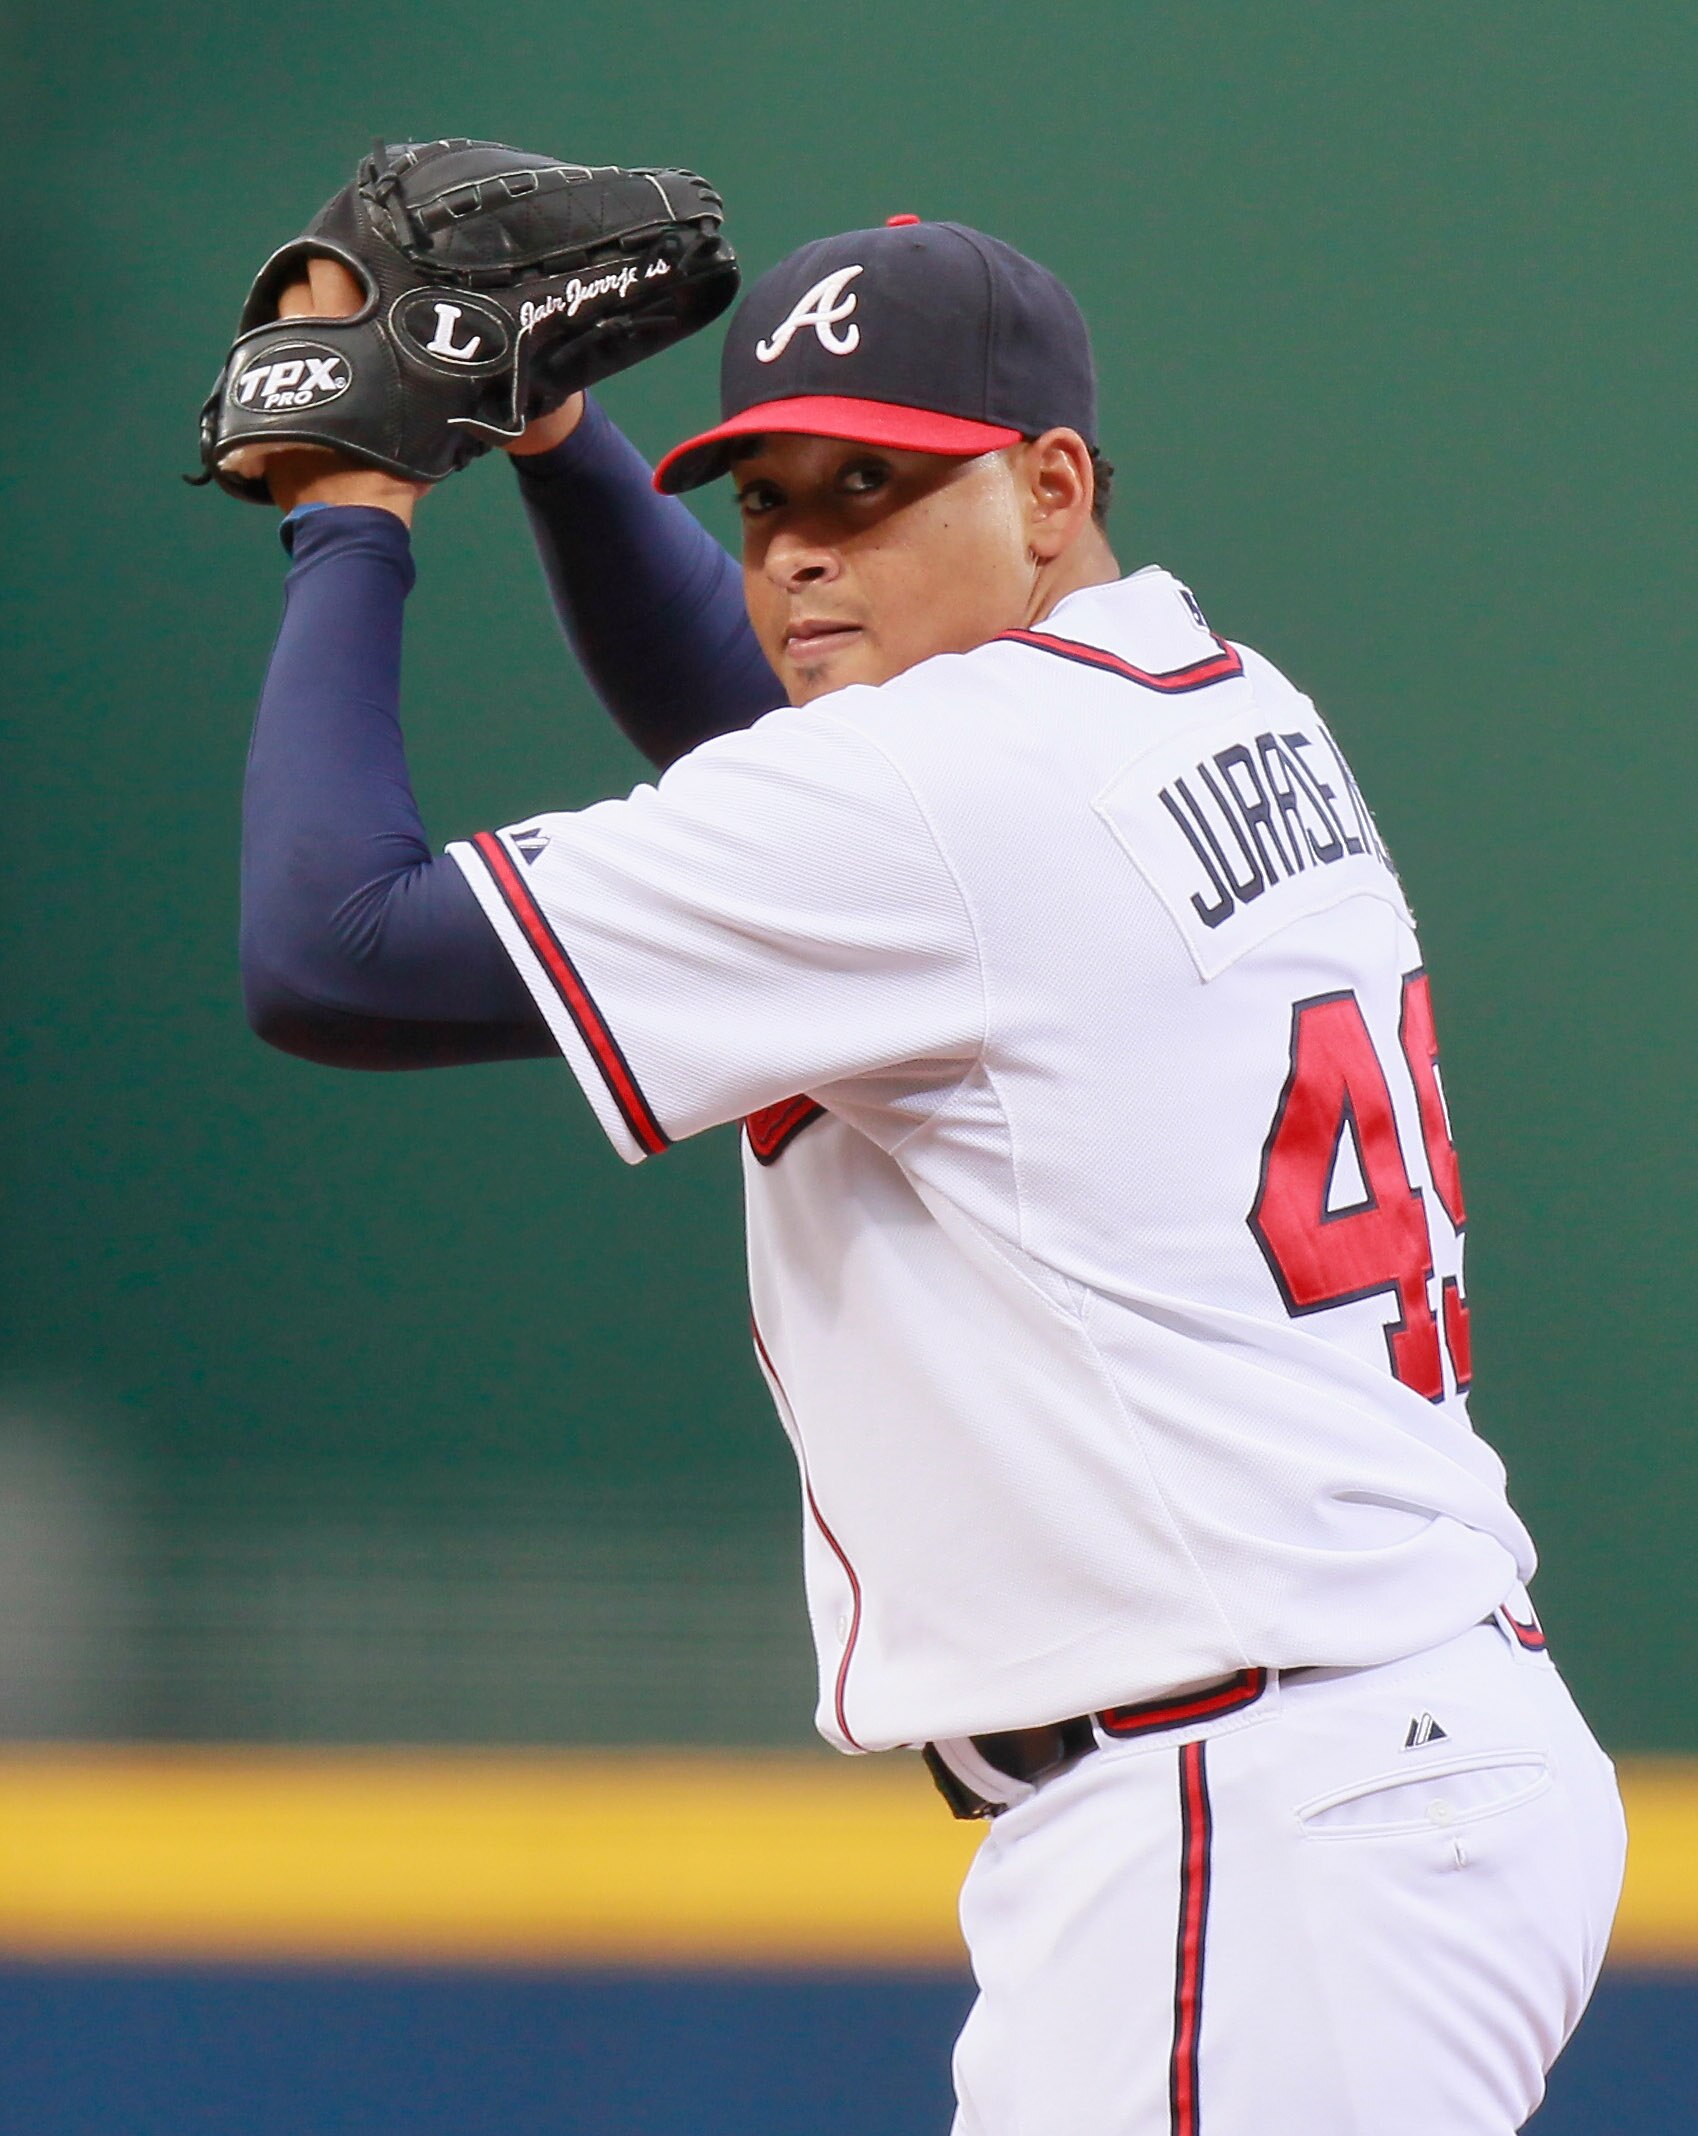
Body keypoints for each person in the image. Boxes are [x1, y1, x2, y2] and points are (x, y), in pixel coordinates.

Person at [237, 216, 1626, 2134]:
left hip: (1257, 1809)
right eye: (766, 496)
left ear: (1049, 486)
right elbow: (778, 739)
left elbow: (333, 951)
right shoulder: (1203, 694)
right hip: (1376, 1764)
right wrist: (554, 436)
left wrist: (354, 511)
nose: (804, 550)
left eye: (874, 486)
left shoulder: (946, 795)